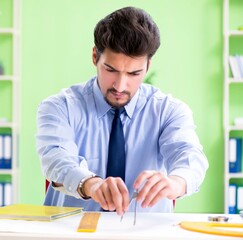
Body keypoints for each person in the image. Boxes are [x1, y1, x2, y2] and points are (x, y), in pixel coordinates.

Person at [36, 6, 208, 215]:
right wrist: (90, 184)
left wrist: (176, 182)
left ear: (148, 65)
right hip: (73, 232)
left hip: (146, 233)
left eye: (134, 73)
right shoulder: (60, 107)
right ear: (94, 57)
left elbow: (190, 156)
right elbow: (57, 157)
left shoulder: (169, 111)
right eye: (111, 70)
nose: (120, 86)